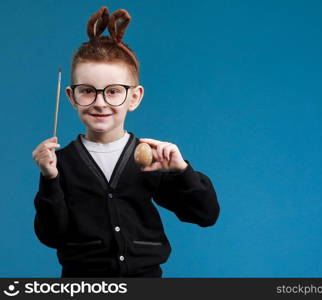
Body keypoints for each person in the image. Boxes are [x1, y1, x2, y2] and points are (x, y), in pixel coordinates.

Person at [31, 6, 220, 278]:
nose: (100, 102)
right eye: (87, 91)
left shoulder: (152, 158)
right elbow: (51, 235)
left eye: (113, 91)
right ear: (71, 97)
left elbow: (206, 215)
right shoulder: (61, 163)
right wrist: (49, 179)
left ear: (134, 97)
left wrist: (182, 172)